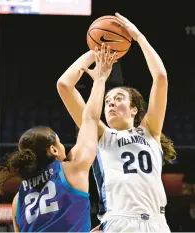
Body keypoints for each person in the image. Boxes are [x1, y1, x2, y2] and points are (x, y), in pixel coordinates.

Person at [57, 13, 176, 232]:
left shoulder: (150, 131)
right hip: (119, 221)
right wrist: (98, 50)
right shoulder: (101, 135)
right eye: (108, 101)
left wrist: (139, 37)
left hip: (157, 223)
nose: (110, 104)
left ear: (134, 109)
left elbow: (160, 77)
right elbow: (64, 85)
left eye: (118, 99)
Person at [0, 46, 117, 232]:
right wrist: (101, 78)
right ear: (53, 149)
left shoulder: (17, 200)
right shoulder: (71, 169)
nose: (63, 146)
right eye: (59, 142)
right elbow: (90, 118)